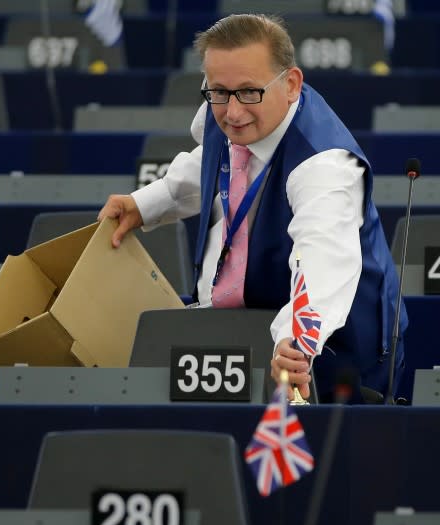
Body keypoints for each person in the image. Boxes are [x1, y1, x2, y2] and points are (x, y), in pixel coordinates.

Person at [97, 13, 407, 403]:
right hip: (237, 330)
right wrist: (147, 203)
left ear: (291, 84)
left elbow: (322, 266)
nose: (233, 112)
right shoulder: (228, 106)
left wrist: (296, 344)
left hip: (334, 357)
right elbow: (216, 159)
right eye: (218, 92)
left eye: (248, 92)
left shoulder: (326, 167)